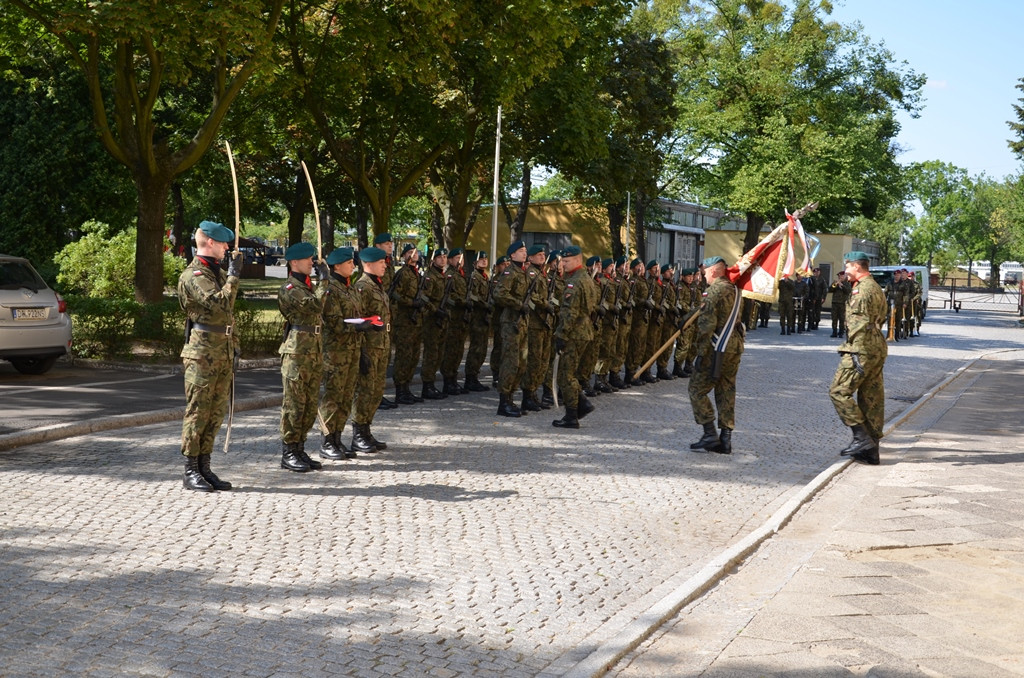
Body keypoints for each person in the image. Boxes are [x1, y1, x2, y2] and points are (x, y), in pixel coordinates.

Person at [177, 220, 242, 491]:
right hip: (202, 354)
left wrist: (234, 346)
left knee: (215, 412)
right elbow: (220, 304)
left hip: (221, 351)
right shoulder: (194, 275)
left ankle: (205, 466)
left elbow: (229, 317)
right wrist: (233, 276)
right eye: (223, 243)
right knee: (198, 411)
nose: (227, 247)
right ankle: (191, 469)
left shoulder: (216, 273)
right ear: (210, 242)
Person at [830, 251, 888, 465]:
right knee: (871, 397)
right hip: (876, 345)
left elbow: (857, 323)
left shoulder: (862, 290)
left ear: (856, 266)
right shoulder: (875, 287)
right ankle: (872, 451)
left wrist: (852, 350)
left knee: (839, 391)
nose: (845, 271)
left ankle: (861, 438)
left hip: (861, 348)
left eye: (847, 267)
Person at [277, 241, 329, 472]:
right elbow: (314, 306)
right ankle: (289, 452)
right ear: (294, 262)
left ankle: (300, 448)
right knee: (294, 405)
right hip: (297, 354)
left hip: (313, 352)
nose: (312, 262)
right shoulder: (289, 289)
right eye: (308, 259)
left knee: (309, 405)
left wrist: (320, 283)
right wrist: (324, 281)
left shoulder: (308, 286)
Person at [317, 247, 372, 461]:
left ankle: (337, 437)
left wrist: (363, 331)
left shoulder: (350, 289)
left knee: (346, 397)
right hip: (335, 353)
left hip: (352, 350)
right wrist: (359, 326)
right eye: (349, 263)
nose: (353, 266)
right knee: (333, 397)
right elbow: (334, 323)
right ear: (337, 266)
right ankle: (327, 440)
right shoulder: (331, 289)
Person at [688, 255, 745, 454]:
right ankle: (725, 439)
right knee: (726, 389)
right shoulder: (735, 290)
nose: (703, 275)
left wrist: (700, 353)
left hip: (716, 347)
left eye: (704, 272)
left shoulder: (713, 291)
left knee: (696, 389)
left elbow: (706, 326)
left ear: (712, 270)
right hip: (734, 346)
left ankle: (709, 433)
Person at [350, 246, 392, 453]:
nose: (384, 265)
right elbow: (358, 320)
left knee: (376, 391)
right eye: (381, 262)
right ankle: (358, 433)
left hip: (381, 344)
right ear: (368, 264)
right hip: (369, 346)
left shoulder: (377, 285)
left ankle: (366, 430)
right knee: (364, 391)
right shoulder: (362, 287)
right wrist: (361, 352)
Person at [552, 246, 599, 428]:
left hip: (573, 333)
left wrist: (561, 335)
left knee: (566, 375)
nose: (563, 264)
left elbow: (569, 313)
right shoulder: (586, 279)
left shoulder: (574, 282)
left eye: (567, 261)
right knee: (570, 372)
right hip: (584, 332)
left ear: (578, 260)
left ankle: (572, 415)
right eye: (562, 261)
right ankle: (583, 404)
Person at [493, 240, 530, 417]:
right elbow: (499, 294)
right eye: (521, 251)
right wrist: (518, 304)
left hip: (522, 323)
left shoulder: (523, 272)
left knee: (521, 363)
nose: (524, 253)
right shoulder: (509, 272)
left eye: (525, 250)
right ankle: (503, 401)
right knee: (510, 362)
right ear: (512, 255)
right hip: (510, 323)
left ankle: (511, 398)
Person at [390, 244, 425, 405]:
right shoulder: (403, 273)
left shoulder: (417, 274)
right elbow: (395, 294)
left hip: (416, 322)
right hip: (404, 321)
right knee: (403, 356)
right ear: (404, 256)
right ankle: (400, 390)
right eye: (410, 252)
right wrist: (411, 303)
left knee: (413, 356)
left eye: (415, 252)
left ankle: (407, 388)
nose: (414, 254)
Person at [520, 244, 550, 412]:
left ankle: (533, 394)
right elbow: (532, 296)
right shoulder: (531, 273)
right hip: (533, 323)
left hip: (543, 323)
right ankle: (527, 395)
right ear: (530, 258)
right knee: (533, 360)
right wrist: (546, 304)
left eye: (543, 254)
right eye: (538, 254)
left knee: (541, 361)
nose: (542, 256)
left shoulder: (541, 273)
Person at [420, 248, 450, 400]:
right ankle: (427, 385)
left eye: (445, 257)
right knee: (431, 353)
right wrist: (435, 310)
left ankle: (431, 384)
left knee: (439, 353)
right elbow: (424, 297)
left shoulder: (443, 276)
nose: (443, 259)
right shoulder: (430, 276)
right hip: (432, 320)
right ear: (434, 260)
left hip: (442, 319)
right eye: (440, 257)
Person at [440, 248, 470, 396]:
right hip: (453, 318)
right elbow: (447, 296)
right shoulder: (450, 275)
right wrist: (461, 302)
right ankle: (448, 381)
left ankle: (453, 379)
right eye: (457, 258)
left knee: (458, 351)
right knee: (451, 350)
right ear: (451, 260)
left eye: (462, 258)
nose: (460, 261)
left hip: (461, 319)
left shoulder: (461, 275)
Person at [374, 233, 397, 410]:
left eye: (391, 243)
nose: (390, 246)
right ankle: (374, 396)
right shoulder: (374, 264)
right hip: (377, 318)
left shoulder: (389, 264)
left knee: (385, 359)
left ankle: (379, 393)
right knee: (376, 360)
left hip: (389, 314)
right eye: (386, 243)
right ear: (377, 246)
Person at [463, 250, 492, 392]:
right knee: (476, 349)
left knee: (482, 349)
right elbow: (472, 296)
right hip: (476, 316)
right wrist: (484, 304)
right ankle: (470, 378)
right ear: (475, 262)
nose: (484, 261)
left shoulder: (485, 277)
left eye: (485, 259)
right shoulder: (474, 277)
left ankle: (475, 376)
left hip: (484, 317)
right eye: (481, 259)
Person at [829, 270, 851, 338]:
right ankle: (834, 332)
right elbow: (830, 290)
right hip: (835, 303)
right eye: (839, 276)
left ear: (844, 276)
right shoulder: (835, 283)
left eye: (841, 276)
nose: (840, 277)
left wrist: (842, 285)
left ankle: (841, 332)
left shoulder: (847, 283)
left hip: (843, 303)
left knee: (842, 318)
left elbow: (848, 291)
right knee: (834, 318)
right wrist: (835, 285)